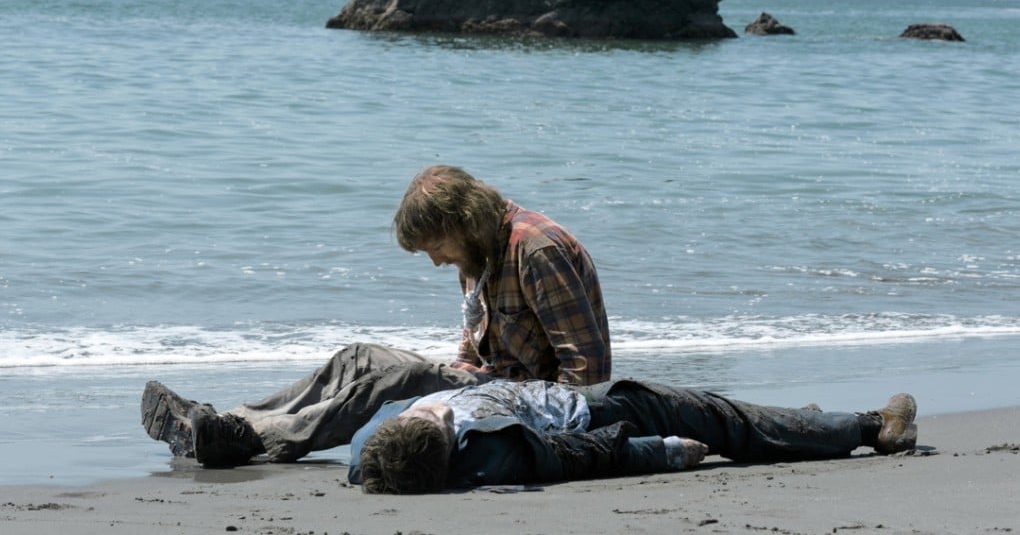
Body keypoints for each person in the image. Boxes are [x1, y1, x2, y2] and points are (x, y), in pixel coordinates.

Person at [142, 165, 611, 467]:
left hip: (534, 405)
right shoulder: (479, 250)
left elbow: (588, 376)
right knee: (360, 358)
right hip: (496, 381)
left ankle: (254, 440)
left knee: (397, 382)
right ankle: (232, 421)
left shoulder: (535, 250)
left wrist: (512, 420)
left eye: (435, 248)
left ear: (461, 222)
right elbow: (473, 344)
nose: (435, 261)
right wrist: (453, 375)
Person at [349, 379, 919, 494]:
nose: (438, 414)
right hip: (592, 412)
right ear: (447, 448)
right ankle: (873, 427)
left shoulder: (369, 450)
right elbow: (579, 458)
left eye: (424, 417)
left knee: (735, 419)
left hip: (560, 393)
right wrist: (662, 453)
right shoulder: (492, 457)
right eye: (438, 426)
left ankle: (798, 427)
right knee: (717, 418)